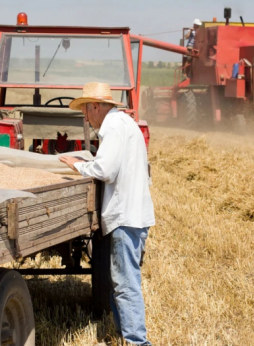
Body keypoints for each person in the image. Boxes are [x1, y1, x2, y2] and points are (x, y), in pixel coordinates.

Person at [59, 82, 155, 346]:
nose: (85, 117)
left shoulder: (112, 128)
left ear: (95, 106)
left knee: (125, 283)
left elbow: (105, 171)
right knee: (122, 281)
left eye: (86, 110)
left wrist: (79, 165)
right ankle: (127, 336)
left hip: (126, 216)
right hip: (134, 214)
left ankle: (137, 342)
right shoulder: (124, 124)